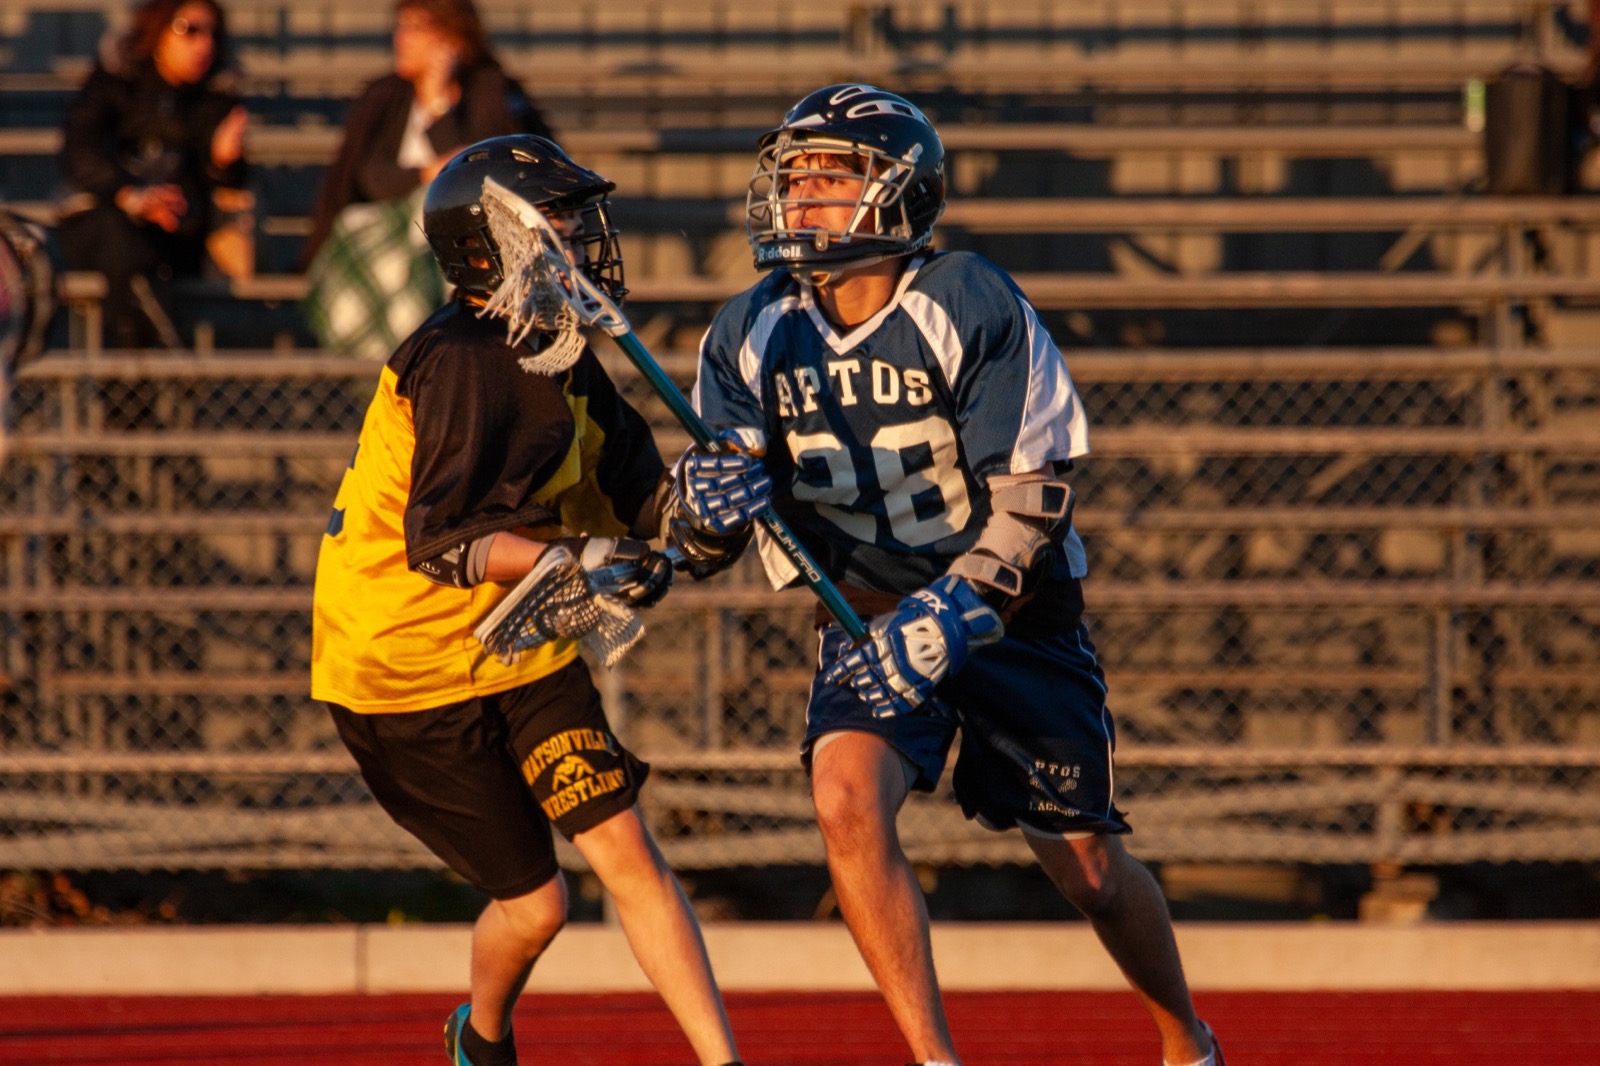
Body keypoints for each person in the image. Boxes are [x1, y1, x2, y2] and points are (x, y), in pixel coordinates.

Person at [664, 84, 1224, 1066]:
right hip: (865, 609)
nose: (798, 200)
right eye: (793, 179)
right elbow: (710, 535)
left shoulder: (968, 299)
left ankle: (1185, 1037)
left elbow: (1035, 505)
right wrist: (698, 510)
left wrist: (953, 617)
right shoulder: (752, 328)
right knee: (843, 798)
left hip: (1008, 615)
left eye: (827, 179)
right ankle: (933, 1058)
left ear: (896, 192)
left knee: (1086, 864)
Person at [310, 134, 742, 1066]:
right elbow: (447, 544)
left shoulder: (564, 351)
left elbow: (645, 506)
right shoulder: (462, 357)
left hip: (518, 645)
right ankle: (485, 1040)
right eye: (558, 221)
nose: (583, 237)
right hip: (405, 672)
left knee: (628, 855)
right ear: (490, 242)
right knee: (537, 905)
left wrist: (708, 517)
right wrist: (589, 560)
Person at [298, 0, 552, 356]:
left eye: (416, 29)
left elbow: (480, 185)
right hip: (383, 244)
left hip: (469, 252)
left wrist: (438, 104)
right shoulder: (384, 95)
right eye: (400, 27)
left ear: (455, 40)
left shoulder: (490, 92)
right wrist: (428, 172)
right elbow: (369, 179)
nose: (401, 39)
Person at [57, 0, 249, 348]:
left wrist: (223, 162)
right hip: (104, 221)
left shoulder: (216, 98)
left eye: (212, 33)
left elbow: (221, 192)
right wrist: (131, 197)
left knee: (139, 259)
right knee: (121, 241)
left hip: (175, 232)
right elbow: (80, 151)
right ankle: (165, 359)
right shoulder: (115, 81)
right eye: (189, 30)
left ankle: (140, 380)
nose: (204, 43)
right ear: (159, 30)